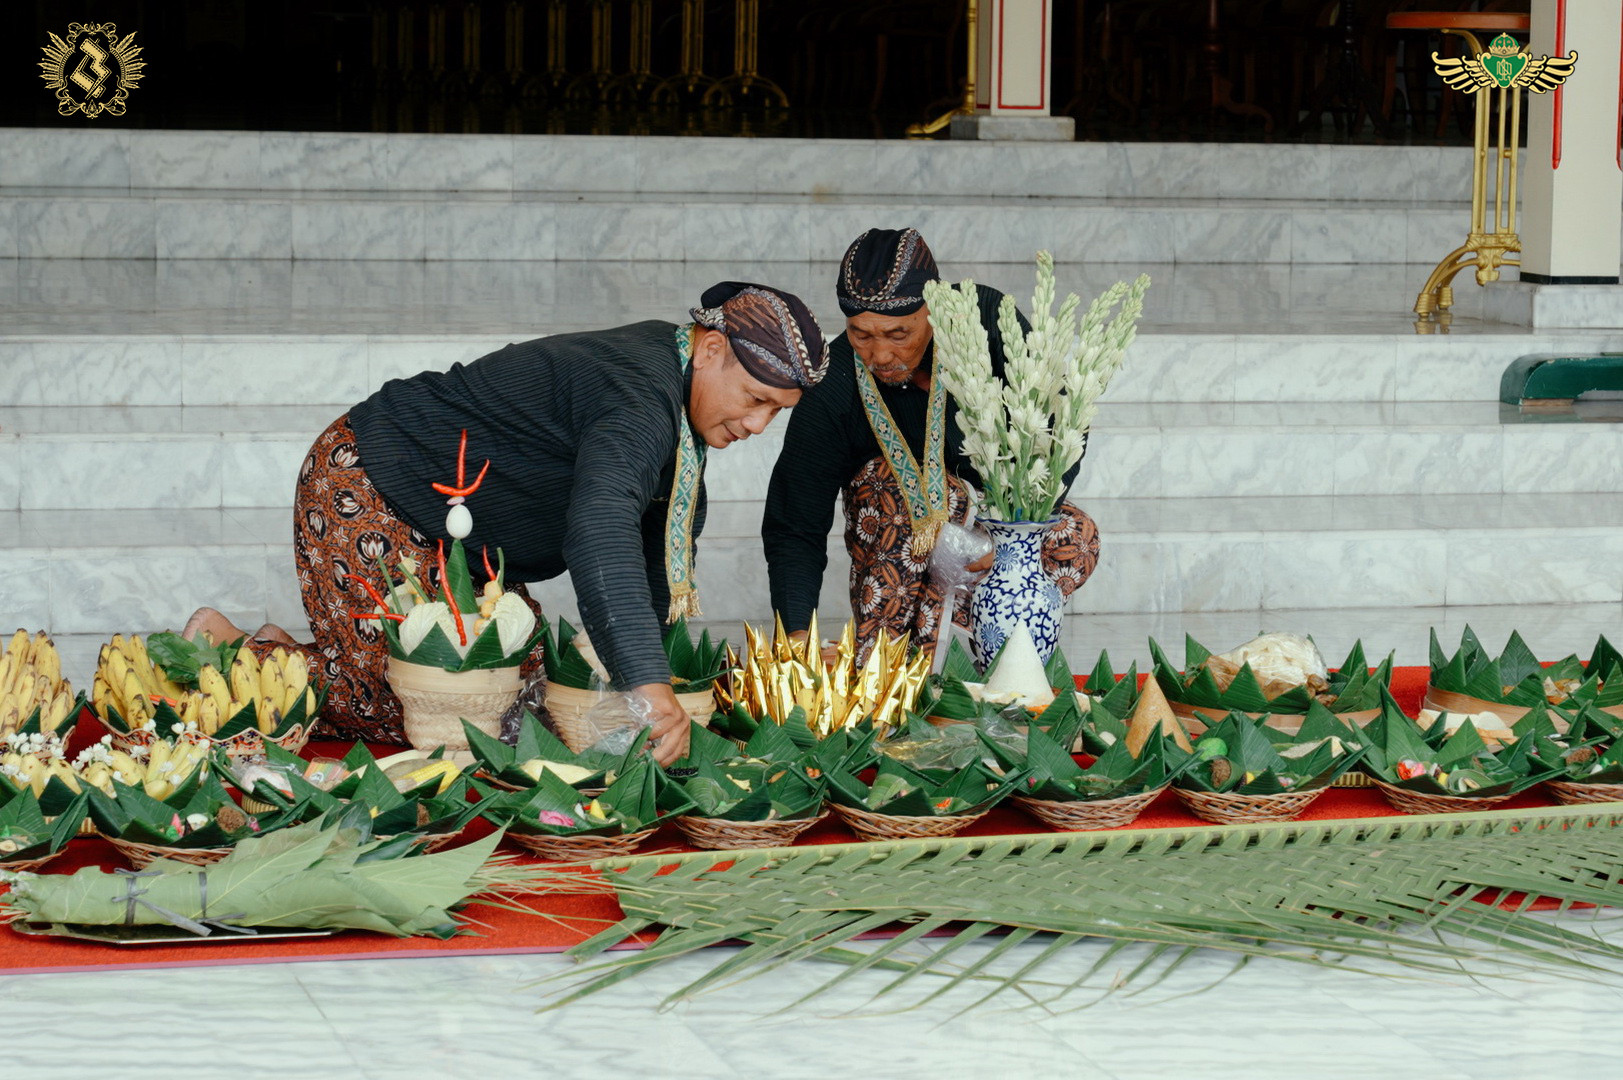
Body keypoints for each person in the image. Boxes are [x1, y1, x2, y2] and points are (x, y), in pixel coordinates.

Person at [187, 282, 828, 765]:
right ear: (711, 349)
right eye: (756, 400)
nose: (756, 427)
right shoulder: (638, 391)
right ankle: (248, 654)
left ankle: (317, 653)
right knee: (421, 708)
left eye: (777, 412)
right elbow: (602, 528)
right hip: (373, 484)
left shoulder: (674, 388)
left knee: (523, 707)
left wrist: (652, 676)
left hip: (462, 548)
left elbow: (656, 538)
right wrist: (647, 686)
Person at [762, 228, 1100, 661]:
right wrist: (794, 632)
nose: (880, 354)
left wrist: (1010, 536)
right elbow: (794, 520)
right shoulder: (836, 381)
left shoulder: (983, 323)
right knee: (887, 481)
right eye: (861, 334)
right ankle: (890, 663)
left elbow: (1059, 425)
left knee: (1079, 533)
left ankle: (992, 655)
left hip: (996, 531)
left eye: (898, 333)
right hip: (901, 542)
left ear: (932, 310)